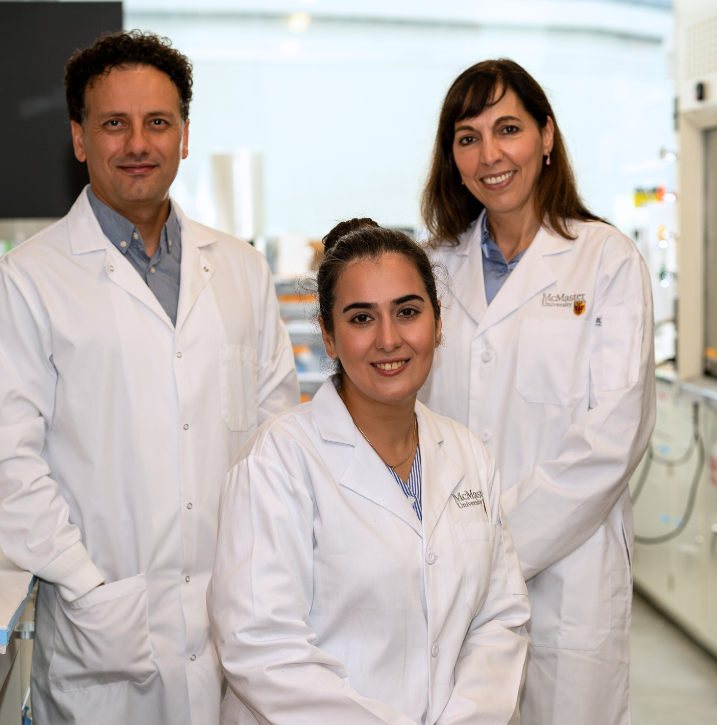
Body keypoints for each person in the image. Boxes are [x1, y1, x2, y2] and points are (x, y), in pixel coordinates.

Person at [0, 31, 298, 725]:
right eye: (114, 123)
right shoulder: (27, 281)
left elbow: (274, 432)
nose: (137, 142)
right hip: (101, 635)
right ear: (80, 139)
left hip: (234, 621)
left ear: (184, 135)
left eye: (157, 122)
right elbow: (1, 461)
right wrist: (87, 585)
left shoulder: (240, 270)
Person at [208, 219, 531, 725]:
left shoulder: (468, 456)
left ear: (437, 321)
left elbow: (499, 620)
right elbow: (262, 647)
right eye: (361, 318)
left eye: (407, 312)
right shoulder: (278, 461)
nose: (388, 339)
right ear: (329, 337)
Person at [418, 59, 656, 725]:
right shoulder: (434, 267)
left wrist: (491, 543)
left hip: (567, 577)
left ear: (546, 136)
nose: (489, 155)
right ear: (452, 158)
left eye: (508, 129)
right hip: (450, 574)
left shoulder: (606, 260)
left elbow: (612, 438)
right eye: (467, 137)